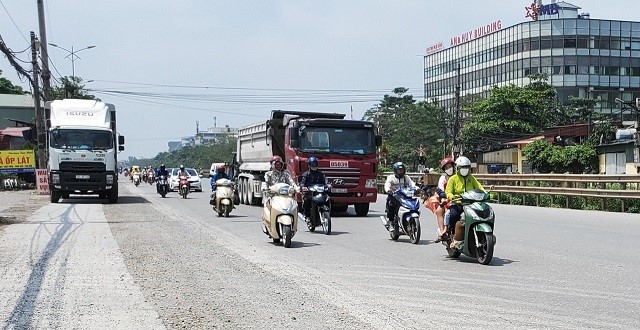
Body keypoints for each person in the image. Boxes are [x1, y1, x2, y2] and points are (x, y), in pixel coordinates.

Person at [445, 156, 486, 248]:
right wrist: (451, 196)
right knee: (453, 215)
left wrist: (486, 194)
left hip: (471, 204)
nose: (465, 170)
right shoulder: (453, 179)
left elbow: (480, 187)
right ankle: (453, 235)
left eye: (466, 167)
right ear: (458, 168)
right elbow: (448, 191)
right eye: (462, 168)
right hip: (458, 204)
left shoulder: (471, 178)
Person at [383, 162, 416, 232]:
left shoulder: (406, 178)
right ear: (395, 170)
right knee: (391, 204)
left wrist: (417, 188)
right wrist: (388, 190)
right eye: (399, 170)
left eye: (402, 170)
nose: (401, 172)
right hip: (394, 196)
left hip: (404, 196)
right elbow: (387, 185)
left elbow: (411, 184)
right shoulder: (391, 177)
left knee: (413, 203)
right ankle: (391, 222)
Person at [429, 157, 456, 242]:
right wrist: (446, 197)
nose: (449, 169)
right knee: (439, 211)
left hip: (460, 198)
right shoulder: (443, 178)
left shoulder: (459, 176)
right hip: (447, 199)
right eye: (446, 168)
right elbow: (440, 190)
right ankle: (442, 232)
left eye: (450, 166)